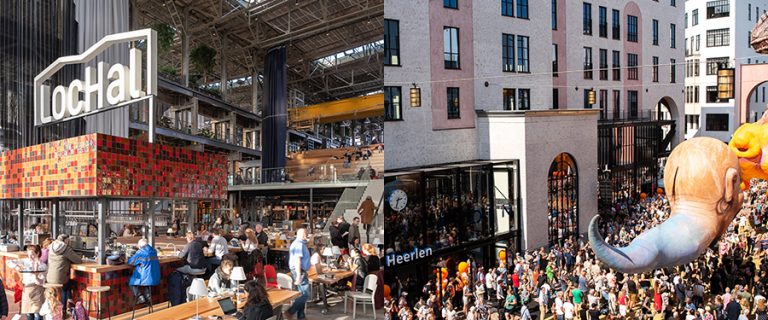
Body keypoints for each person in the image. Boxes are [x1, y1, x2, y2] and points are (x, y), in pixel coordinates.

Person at [9, 245, 46, 320]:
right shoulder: (26, 261)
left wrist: (36, 276)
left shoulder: (42, 265)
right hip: (27, 290)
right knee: (29, 315)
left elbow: (41, 282)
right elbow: (9, 262)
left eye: (32, 254)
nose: (30, 257)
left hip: (37, 290)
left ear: (38, 253)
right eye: (28, 255)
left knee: (38, 315)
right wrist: (17, 266)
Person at [46, 234, 81, 310]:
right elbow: (78, 260)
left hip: (49, 277)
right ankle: (64, 309)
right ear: (66, 240)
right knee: (67, 286)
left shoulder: (51, 246)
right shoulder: (65, 248)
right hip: (60, 278)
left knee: (68, 283)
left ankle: (68, 304)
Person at [285, 228, 310, 320]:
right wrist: (299, 275)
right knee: (305, 294)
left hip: (301, 270)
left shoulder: (300, 244)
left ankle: (301, 315)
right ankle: (290, 312)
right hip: (299, 271)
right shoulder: (298, 245)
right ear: (300, 235)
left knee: (301, 293)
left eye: (306, 234)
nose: (306, 236)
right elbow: (297, 260)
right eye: (304, 234)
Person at [128, 238, 160, 305]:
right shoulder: (154, 250)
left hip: (144, 276)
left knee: (131, 281)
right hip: (154, 276)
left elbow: (131, 262)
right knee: (147, 284)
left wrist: (130, 257)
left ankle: (140, 297)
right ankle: (148, 299)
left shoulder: (141, 252)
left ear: (139, 246)